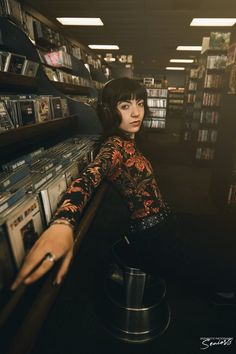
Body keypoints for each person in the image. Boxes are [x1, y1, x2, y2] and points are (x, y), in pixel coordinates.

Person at [11, 78, 236, 304]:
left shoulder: (128, 139)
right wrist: (63, 222)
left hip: (163, 223)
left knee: (218, 235)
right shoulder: (114, 147)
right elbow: (87, 178)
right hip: (152, 237)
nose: (136, 112)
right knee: (218, 263)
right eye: (125, 106)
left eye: (140, 103)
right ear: (110, 111)